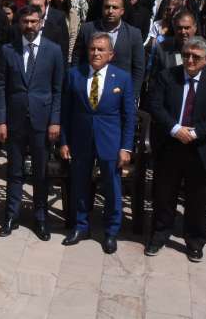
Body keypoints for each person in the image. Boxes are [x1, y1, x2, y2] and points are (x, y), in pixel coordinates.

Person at [145, 37, 206, 262]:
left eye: (196, 57)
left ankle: (194, 241)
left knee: (197, 199)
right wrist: (175, 129)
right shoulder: (167, 77)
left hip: (200, 147)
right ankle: (160, 234)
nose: (190, 60)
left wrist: (195, 133)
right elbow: (155, 105)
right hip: (170, 144)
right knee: (164, 194)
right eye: (186, 55)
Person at [60, 33, 135, 253]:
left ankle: (111, 232)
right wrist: (64, 142)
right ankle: (81, 226)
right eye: (93, 49)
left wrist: (126, 147)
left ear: (111, 54)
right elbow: (66, 112)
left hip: (110, 142)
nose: (96, 53)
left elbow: (128, 115)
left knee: (111, 188)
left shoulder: (122, 78)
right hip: (80, 140)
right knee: (80, 185)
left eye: (101, 50)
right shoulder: (74, 75)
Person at [0, 5, 62, 239]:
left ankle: (41, 218)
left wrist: (55, 120)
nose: (30, 26)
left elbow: (57, 90)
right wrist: (0, 120)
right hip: (14, 120)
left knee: (40, 173)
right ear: (19, 23)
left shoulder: (53, 51)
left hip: (42, 121)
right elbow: (1, 87)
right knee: (14, 170)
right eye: (26, 22)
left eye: (34, 21)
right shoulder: (7, 50)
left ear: (41, 22)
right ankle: (11, 215)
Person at [74, 0, 145, 99]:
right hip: (89, 89)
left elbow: (138, 68)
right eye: (107, 7)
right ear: (102, 9)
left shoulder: (134, 34)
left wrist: (133, 95)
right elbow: (77, 58)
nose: (110, 11)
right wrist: (77, 84)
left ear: (122, 11)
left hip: (119, 93)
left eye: (115, 7)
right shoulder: (87, 29)